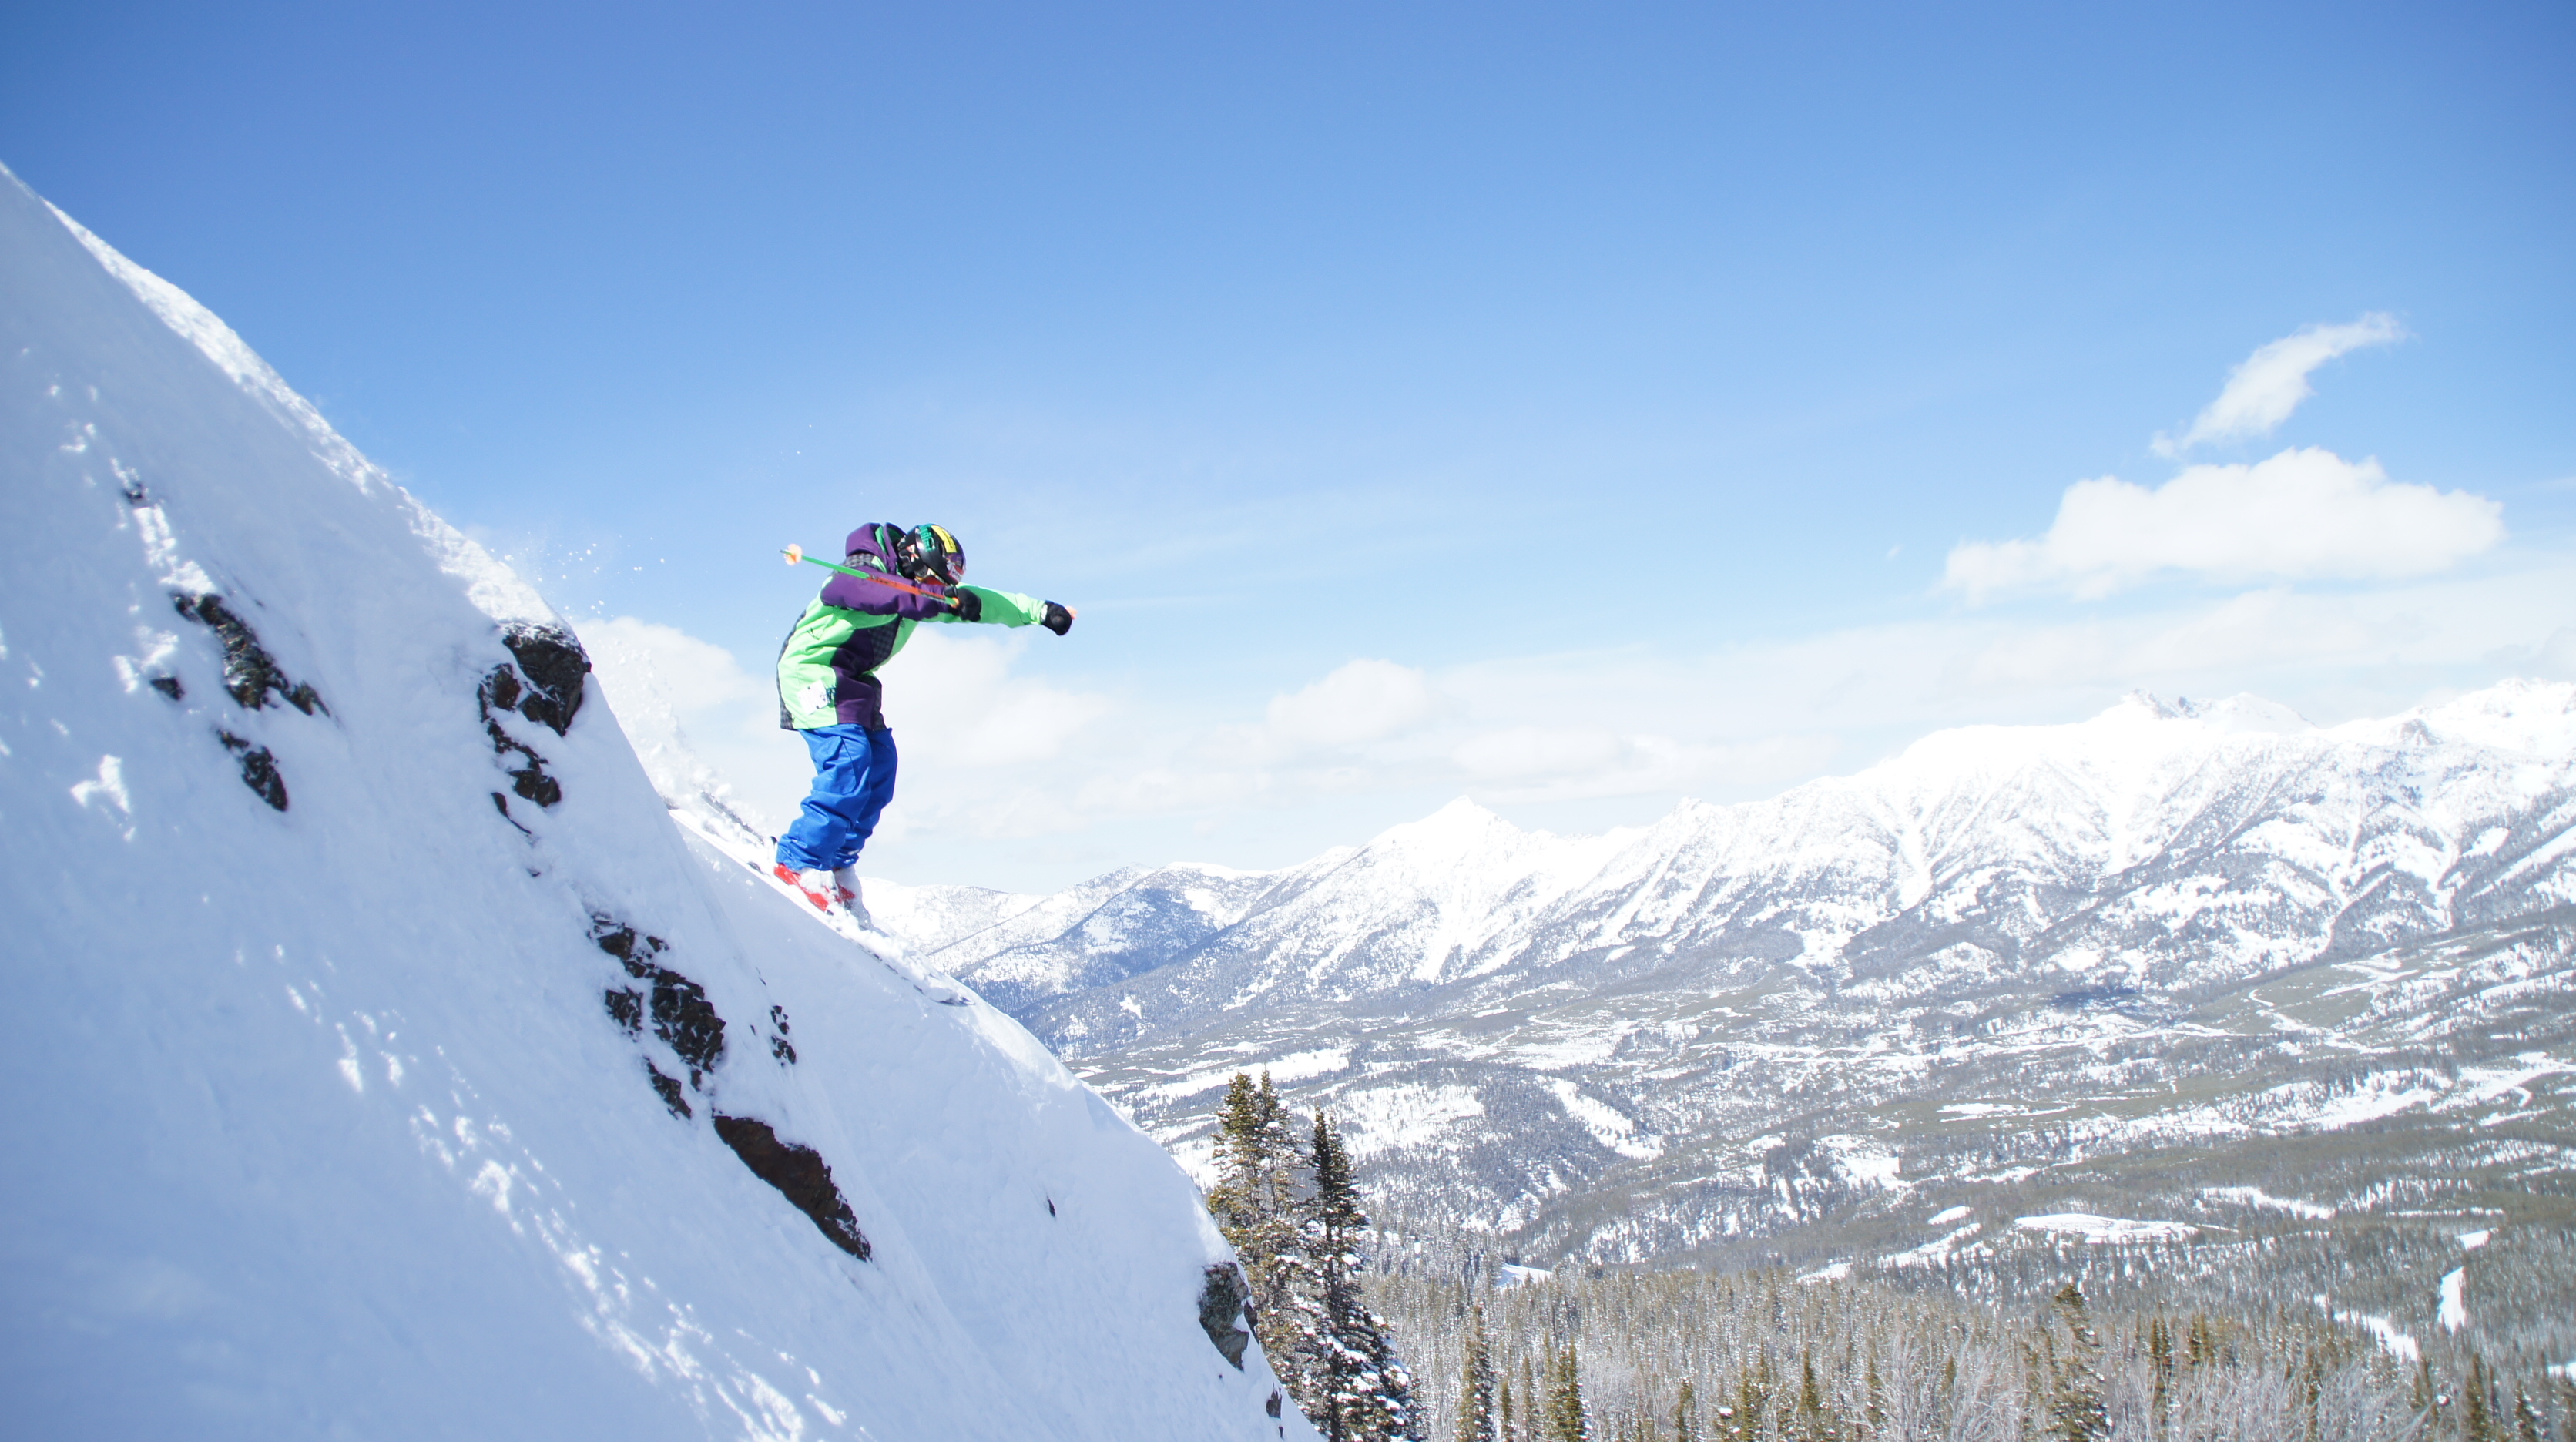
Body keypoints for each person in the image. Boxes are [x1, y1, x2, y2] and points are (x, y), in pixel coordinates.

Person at [772, 522, 1073, 919]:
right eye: (933, 578)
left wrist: (1039, 611)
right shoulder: (862, 568)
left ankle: (837, 863)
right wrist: (937, 598)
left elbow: (977, 602)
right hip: (812, 672)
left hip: (854, 681)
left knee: (880, 768)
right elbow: (864, 591)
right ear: (913, 560)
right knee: (849, 762)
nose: (936, 587)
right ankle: (798, 862)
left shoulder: (918, 593)